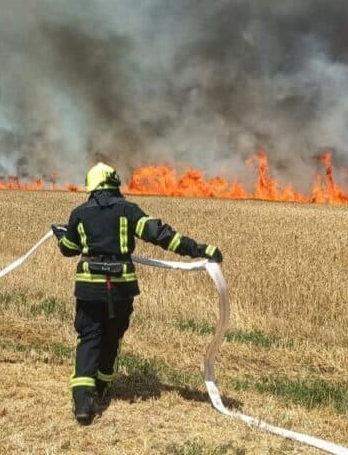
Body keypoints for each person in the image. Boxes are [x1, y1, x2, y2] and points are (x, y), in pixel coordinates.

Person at [52, 162, 222, 424]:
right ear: (114, 184)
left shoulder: (79, 214)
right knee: (112, 336)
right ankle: (102, 386)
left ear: (92, 186)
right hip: (121, 289)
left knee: (89, 337)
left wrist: (61, 235)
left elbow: (68, 249)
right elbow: (161, 235)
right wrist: (199, 249)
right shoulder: (128, 210)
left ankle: (83, 403)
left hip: (89, 289)